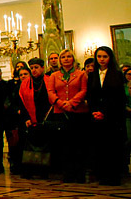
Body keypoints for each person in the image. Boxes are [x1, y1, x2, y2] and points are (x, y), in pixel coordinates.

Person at [87, 46, 127, 186]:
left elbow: (118, 98)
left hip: (112, 117)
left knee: (113, 148)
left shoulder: (117, 74)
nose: (102, 59)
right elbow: (90, 96)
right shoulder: (92, 75)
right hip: (96, 117)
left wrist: (104, 112)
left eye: (105, 56)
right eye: (99, 57)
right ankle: (102, 175)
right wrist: (94, 111)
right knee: (100, 147)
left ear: (110, 58)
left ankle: (113, 176)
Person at [47, 49, 88, 182]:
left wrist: (72, 103)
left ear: (73, 59)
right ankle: (68, 174)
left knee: (79, 144)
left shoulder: (81, 74)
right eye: (63, 57)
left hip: (78, 112)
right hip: (60, 113)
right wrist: (61, 103)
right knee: (64, 145)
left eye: (69, 56)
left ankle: (79, 174)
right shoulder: (54, 76)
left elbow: (83, 90)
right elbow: (51, 92)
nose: (66, 59)